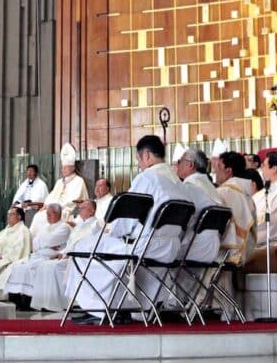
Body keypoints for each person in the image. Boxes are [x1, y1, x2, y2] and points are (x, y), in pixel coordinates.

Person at [65, 135, 191, 324]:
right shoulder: (178, 183)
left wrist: (112, 231)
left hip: (144, 247)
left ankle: (98, 309)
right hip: (170, 248)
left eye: (139, 160)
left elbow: (124, 221)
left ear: (146, 156)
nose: (139, 165)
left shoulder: (147, 178)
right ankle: (119, 306)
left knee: (82, 247)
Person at [26, 199, 103, 311]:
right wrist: (61, 253)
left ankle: (59, 303)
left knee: (53, 267)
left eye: (83, 208)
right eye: (80, 208)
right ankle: (46, 303)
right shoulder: (79, 226)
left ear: (92, 211)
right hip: (70, 256)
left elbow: (88, 245)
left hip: (82, 259)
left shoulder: (95, 225)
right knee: (44, 265)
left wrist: (68, 253)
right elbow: (70, 243)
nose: (80, 210)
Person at [2, 203, 71, 304]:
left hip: (49, 257)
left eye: (49, 214)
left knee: (31, 269)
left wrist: (45, 243)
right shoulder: (45, 226)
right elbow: (35, 242)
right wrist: (45, 243)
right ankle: (16, 299)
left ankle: (29, 300)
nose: (47, 217)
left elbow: (50, 240)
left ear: (57, 214)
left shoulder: (64, 227)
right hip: (38, 255)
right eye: (47, 214)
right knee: (18, 267)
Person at [30, 145, 87, 236]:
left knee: (43, 218)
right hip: (53, 209)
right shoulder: (60, 182)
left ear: (72, 168)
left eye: (66, 167)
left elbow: (74, 200)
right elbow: (51, 196)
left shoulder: (79, 181)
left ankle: (45, 241)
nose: (63, 170)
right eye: (62, 167)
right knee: (38, 216)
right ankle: (35, 242)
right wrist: (47, 205)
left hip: (65, 211)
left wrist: (57, 207)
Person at [213, 151, 257, 265]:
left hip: (227, 254)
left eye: (218, 166)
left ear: (228, 170)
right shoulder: (244, 191)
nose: (215, 171)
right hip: (248, 250)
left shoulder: (224, 192)